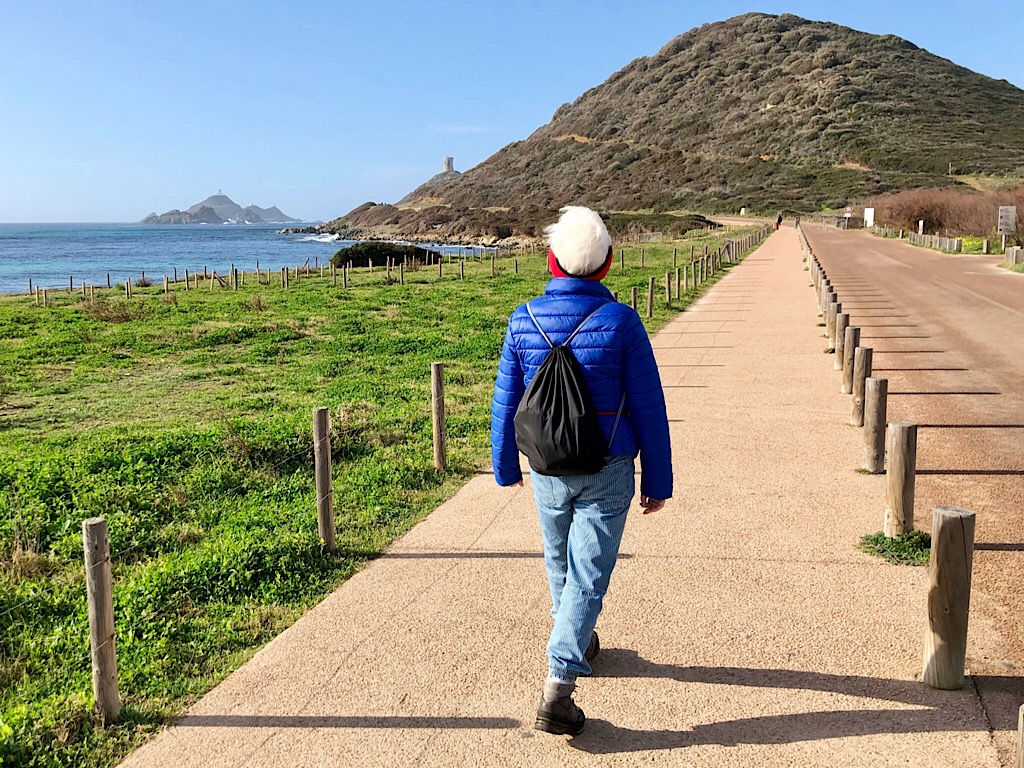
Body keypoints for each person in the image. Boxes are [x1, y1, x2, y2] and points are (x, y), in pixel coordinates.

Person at [490, 206, 673, 735]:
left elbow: (506, 401)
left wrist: (504, 465)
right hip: (609, 466)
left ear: (552, 261)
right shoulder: (623, 322)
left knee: (559, 560)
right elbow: (648, 406)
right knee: (588, 573)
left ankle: (578, 636)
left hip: (547, 467)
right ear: (607, 264)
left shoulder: (523, 319)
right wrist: (657, 480)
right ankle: (558, 686)